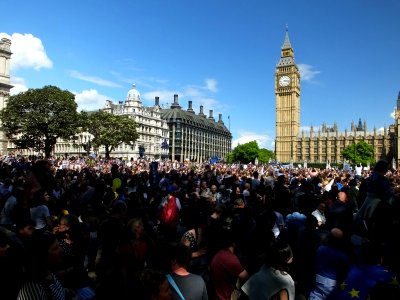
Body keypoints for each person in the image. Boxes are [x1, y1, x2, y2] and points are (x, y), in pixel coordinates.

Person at [17, 231, 65, 300]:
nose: (61, 250)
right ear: (41, 256)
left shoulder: (47, 272)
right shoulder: (33, 291)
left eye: (59, 246)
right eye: (55, 248)